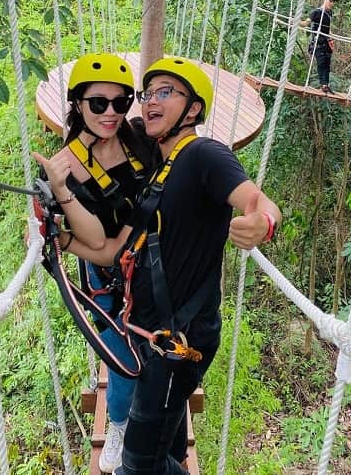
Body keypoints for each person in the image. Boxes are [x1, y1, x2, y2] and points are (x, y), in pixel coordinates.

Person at [62, 56, 282, 474]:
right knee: (166, 442)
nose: (149, 103)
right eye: (147, 95)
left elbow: (258, 201)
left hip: (176, 344)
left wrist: (263, 222)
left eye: (166, 92)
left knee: (137, 465)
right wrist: (61, 239)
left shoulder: (204, 154)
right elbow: (112, 251)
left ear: (193, 108)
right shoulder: (158, 165)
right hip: (155, 333)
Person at [32, 52, 154, 473]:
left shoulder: (138, 137)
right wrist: (61, 192)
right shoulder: (68, 166)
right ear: (78, 105)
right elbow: (100, 242)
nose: (110, 113)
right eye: (98, 103)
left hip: (151, 262)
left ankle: (145, 420)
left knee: (150, 351)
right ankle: (118, 425)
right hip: (109, 277)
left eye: (121, 103)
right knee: (123, 360)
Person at [302, 0, 336, 93]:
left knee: (327, 65)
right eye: (331, 1)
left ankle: (326, 85)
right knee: (321, 64)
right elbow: (306, 23)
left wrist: (331, 37)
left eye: (333, 2)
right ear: (325, 1)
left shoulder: (329, 13)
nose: (332, 3)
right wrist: (295, 22)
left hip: (326, 43)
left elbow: (328, 29)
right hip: (318, 42)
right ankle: (323, 84)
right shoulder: (316, 12)